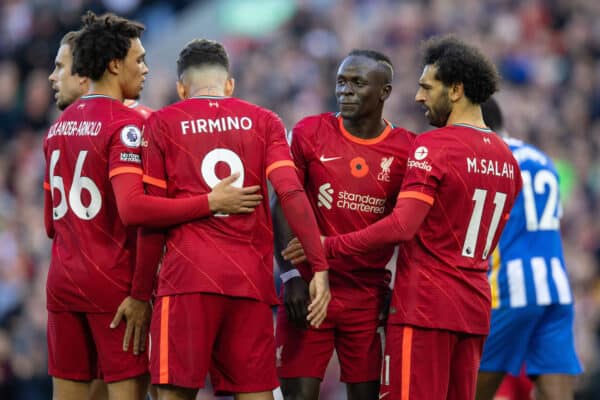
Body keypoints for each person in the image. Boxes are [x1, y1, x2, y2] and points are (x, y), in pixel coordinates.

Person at [283, 35, 522, 399]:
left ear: (455, 90)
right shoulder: (508, 160)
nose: (418, 97)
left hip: (423, 306)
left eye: (427, 87)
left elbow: (401, 226)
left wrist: (323, 248)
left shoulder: (431, 146)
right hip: (473, 306)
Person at [43, 16, 263, 400]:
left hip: (62, 280)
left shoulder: (56, 128)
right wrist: (210, 202)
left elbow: (49, 223)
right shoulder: (129, 126)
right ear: (115, 65)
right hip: (113, 282)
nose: (145, 69)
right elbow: (133, 210)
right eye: (139, 60)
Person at [136, 39, 331, 400]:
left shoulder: (161, 123)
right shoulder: (265, 121)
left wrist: (139, 292)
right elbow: (290, 194)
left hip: (186, 281)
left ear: (181, 87)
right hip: (249, 284)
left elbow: (150, 219)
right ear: (230, 85)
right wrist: (318, 266)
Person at [272, 49, 414, 400]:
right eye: (341, 82)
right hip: (308, 291)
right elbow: (282, 203)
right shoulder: (310, 131)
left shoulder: (408, 150)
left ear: (385, 91)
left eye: (358, 83)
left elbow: (410, 227)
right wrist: (290, 276)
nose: (345, 91)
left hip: (366, 296)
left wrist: (401, 291)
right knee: (296, 395)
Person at [475, 97, 582, 400]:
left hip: (511, 288)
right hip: (556, 287)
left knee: (466, 391)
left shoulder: (488, 163)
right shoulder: (541, 159)